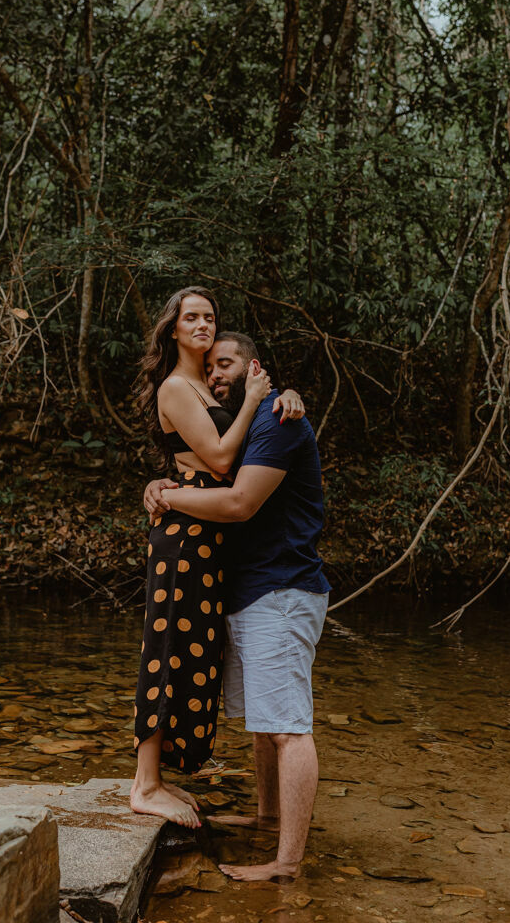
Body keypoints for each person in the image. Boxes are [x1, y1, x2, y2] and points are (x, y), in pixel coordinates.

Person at [144, 330, 330, 881]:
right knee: (264, 722)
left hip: (283, 588)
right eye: (209, 368)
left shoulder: (278, 418)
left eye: (225, 364)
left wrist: (168, 497)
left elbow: (239, 503)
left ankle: (286, 863)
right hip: (250, 590)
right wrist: (163, 481)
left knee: (289, 727)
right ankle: (268, 816)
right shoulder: (241, 426)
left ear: (254, 369)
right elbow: (211, 470)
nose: (215, 374)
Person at [130, 288, 304, 829]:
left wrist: (285, 393)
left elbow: (243, 435)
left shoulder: (206, 384)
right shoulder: (176, 386)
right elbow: (223, 459)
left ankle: (162, 775)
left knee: (194, 655)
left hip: (208, 534)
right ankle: (144, 784)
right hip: (185, 534)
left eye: (209, 316)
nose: (202, 324)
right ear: (174, 329)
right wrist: (254, 399)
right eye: (191, 317)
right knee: (166, 650)